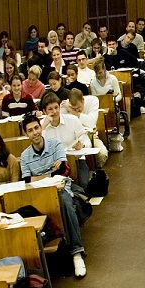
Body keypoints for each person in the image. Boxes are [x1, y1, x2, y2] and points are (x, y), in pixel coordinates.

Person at [19, 114, 88, 277]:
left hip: (60, 188)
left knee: (66, 204)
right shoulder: (25, 156)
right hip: (38, 194)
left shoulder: (55, 145)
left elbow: (62, 170)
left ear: (41, 128)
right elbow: (26, 180)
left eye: (36, 128)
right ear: (25, 134)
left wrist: (39, 176)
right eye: (30, 130)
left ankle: (77, 252)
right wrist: (49, 173)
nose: (35, 132)